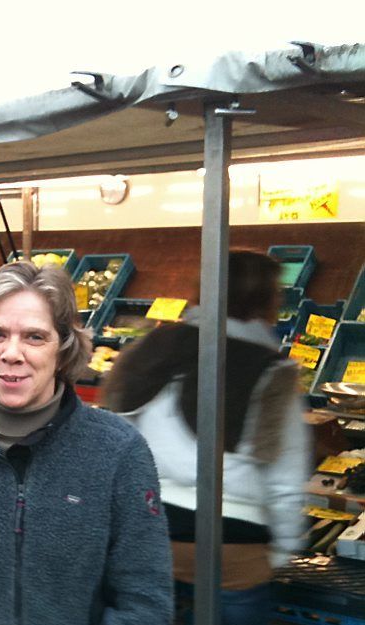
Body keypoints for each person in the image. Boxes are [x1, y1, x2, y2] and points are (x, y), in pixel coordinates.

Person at [0, 262, 174, 625]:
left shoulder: (118, 452)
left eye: (34, 337)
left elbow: (145, 600)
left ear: (63, 350)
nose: (12, 353)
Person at [103, 250, 309, 625]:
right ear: (267, 299)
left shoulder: (148, 350)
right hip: (233, 545)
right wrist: (283, 550)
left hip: (152, 531)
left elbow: (114, 445)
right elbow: (286, 478)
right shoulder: (274, 371)